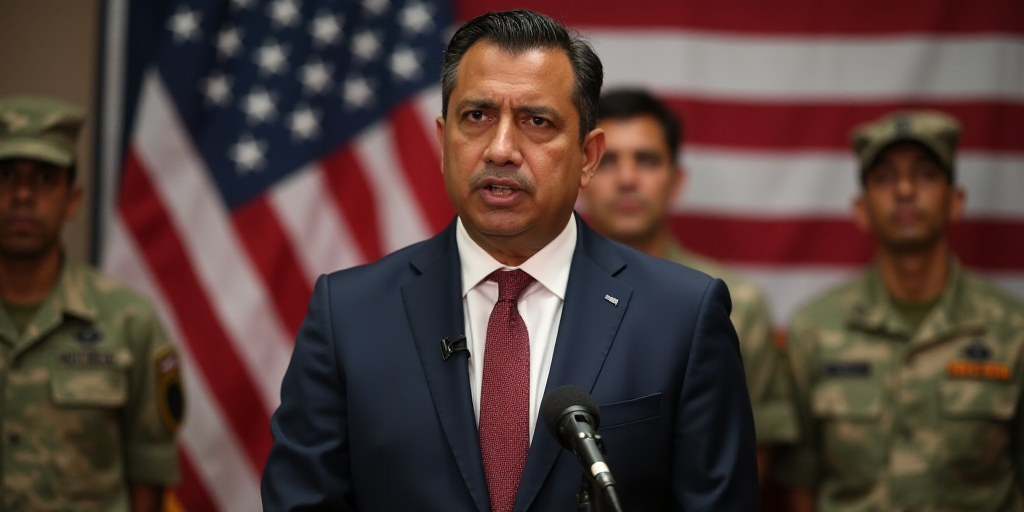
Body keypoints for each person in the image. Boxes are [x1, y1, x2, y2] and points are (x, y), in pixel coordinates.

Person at [262, 9, 758, 512]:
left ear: (588, 157)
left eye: (536, 121)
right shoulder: (347, 314)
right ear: (443, 141)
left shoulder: (682, 316)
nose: (500, 150)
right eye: (477, 117)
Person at [774, 110, 1024, 512]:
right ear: (861, 209)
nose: (905, 190)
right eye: (884, 178)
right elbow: (800, 481)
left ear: (955, 202)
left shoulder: (1013, 330)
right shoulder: (815, 329)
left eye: (925, 175)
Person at [580, 89, 797, 480]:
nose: (627, 179)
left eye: (646, 160)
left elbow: (749, 453)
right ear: (582, 175)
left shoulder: (735, 303)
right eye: (609, 161)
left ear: (676, 181)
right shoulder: (549, 292)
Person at [0, 95, 182, 512]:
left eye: (44, 178)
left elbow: (149, 472)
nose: (23, 194)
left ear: (72, 199)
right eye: (5, 175)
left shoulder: (129, 320)